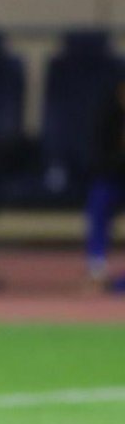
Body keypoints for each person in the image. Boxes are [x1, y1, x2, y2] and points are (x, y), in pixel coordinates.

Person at [85, 77, 125, 292]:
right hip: (113, 180)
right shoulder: (107, 115)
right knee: (99, 196)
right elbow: (98, 161)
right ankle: (96, 268)